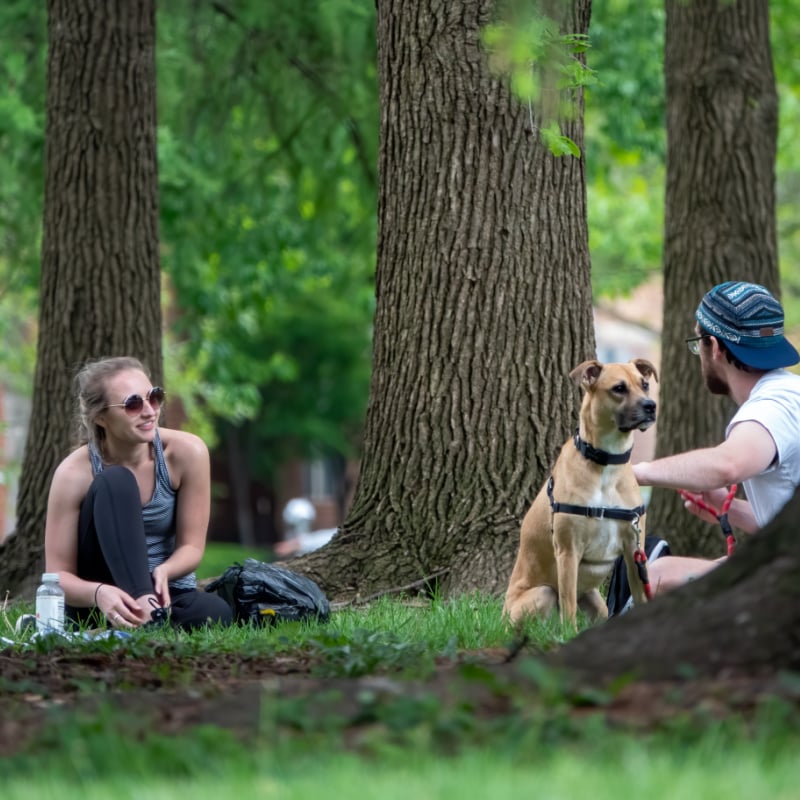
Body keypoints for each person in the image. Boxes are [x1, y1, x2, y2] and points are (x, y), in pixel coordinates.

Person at [610, 281, 800, 611]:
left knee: (656, 578)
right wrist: (732, 510)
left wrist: (634, 473)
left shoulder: (774, 404)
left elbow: (728, 465)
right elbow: (787, 526)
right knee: (661, 569)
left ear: (714, 346)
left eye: (698, 343)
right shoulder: (790, 394)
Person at [44, 356, 234, 630]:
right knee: (116, 482)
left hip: (164, 594)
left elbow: (191, 547)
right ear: (100, 417)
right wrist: (99, 593)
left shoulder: (186, 453)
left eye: (154, 397)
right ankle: (135, 618)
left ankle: (145, 620)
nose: (149, 411)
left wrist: (162, 572)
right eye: (133, 404)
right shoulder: (74, 473)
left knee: (214, 612)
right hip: (103, 600)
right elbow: (57, 575)